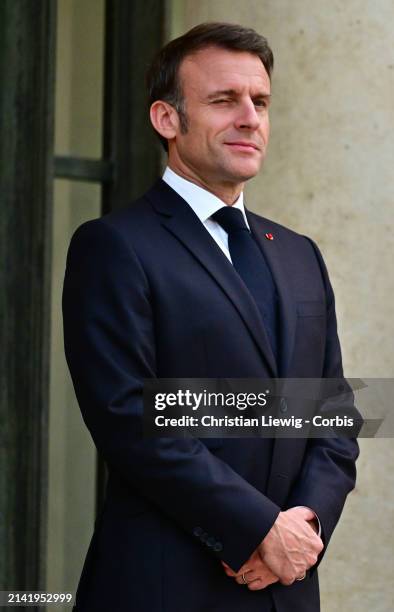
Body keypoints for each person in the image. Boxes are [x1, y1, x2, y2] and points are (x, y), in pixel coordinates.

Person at [63, 22, 359, 612]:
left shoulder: (300, 253)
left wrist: (306, 526)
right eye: (224, 100)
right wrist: (256, 529)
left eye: (261, 101)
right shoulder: (115, 246)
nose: (250, 117)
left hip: (289, 586)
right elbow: (131, 417)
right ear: (167, 120)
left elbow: (333, 409)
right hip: (168, 584)